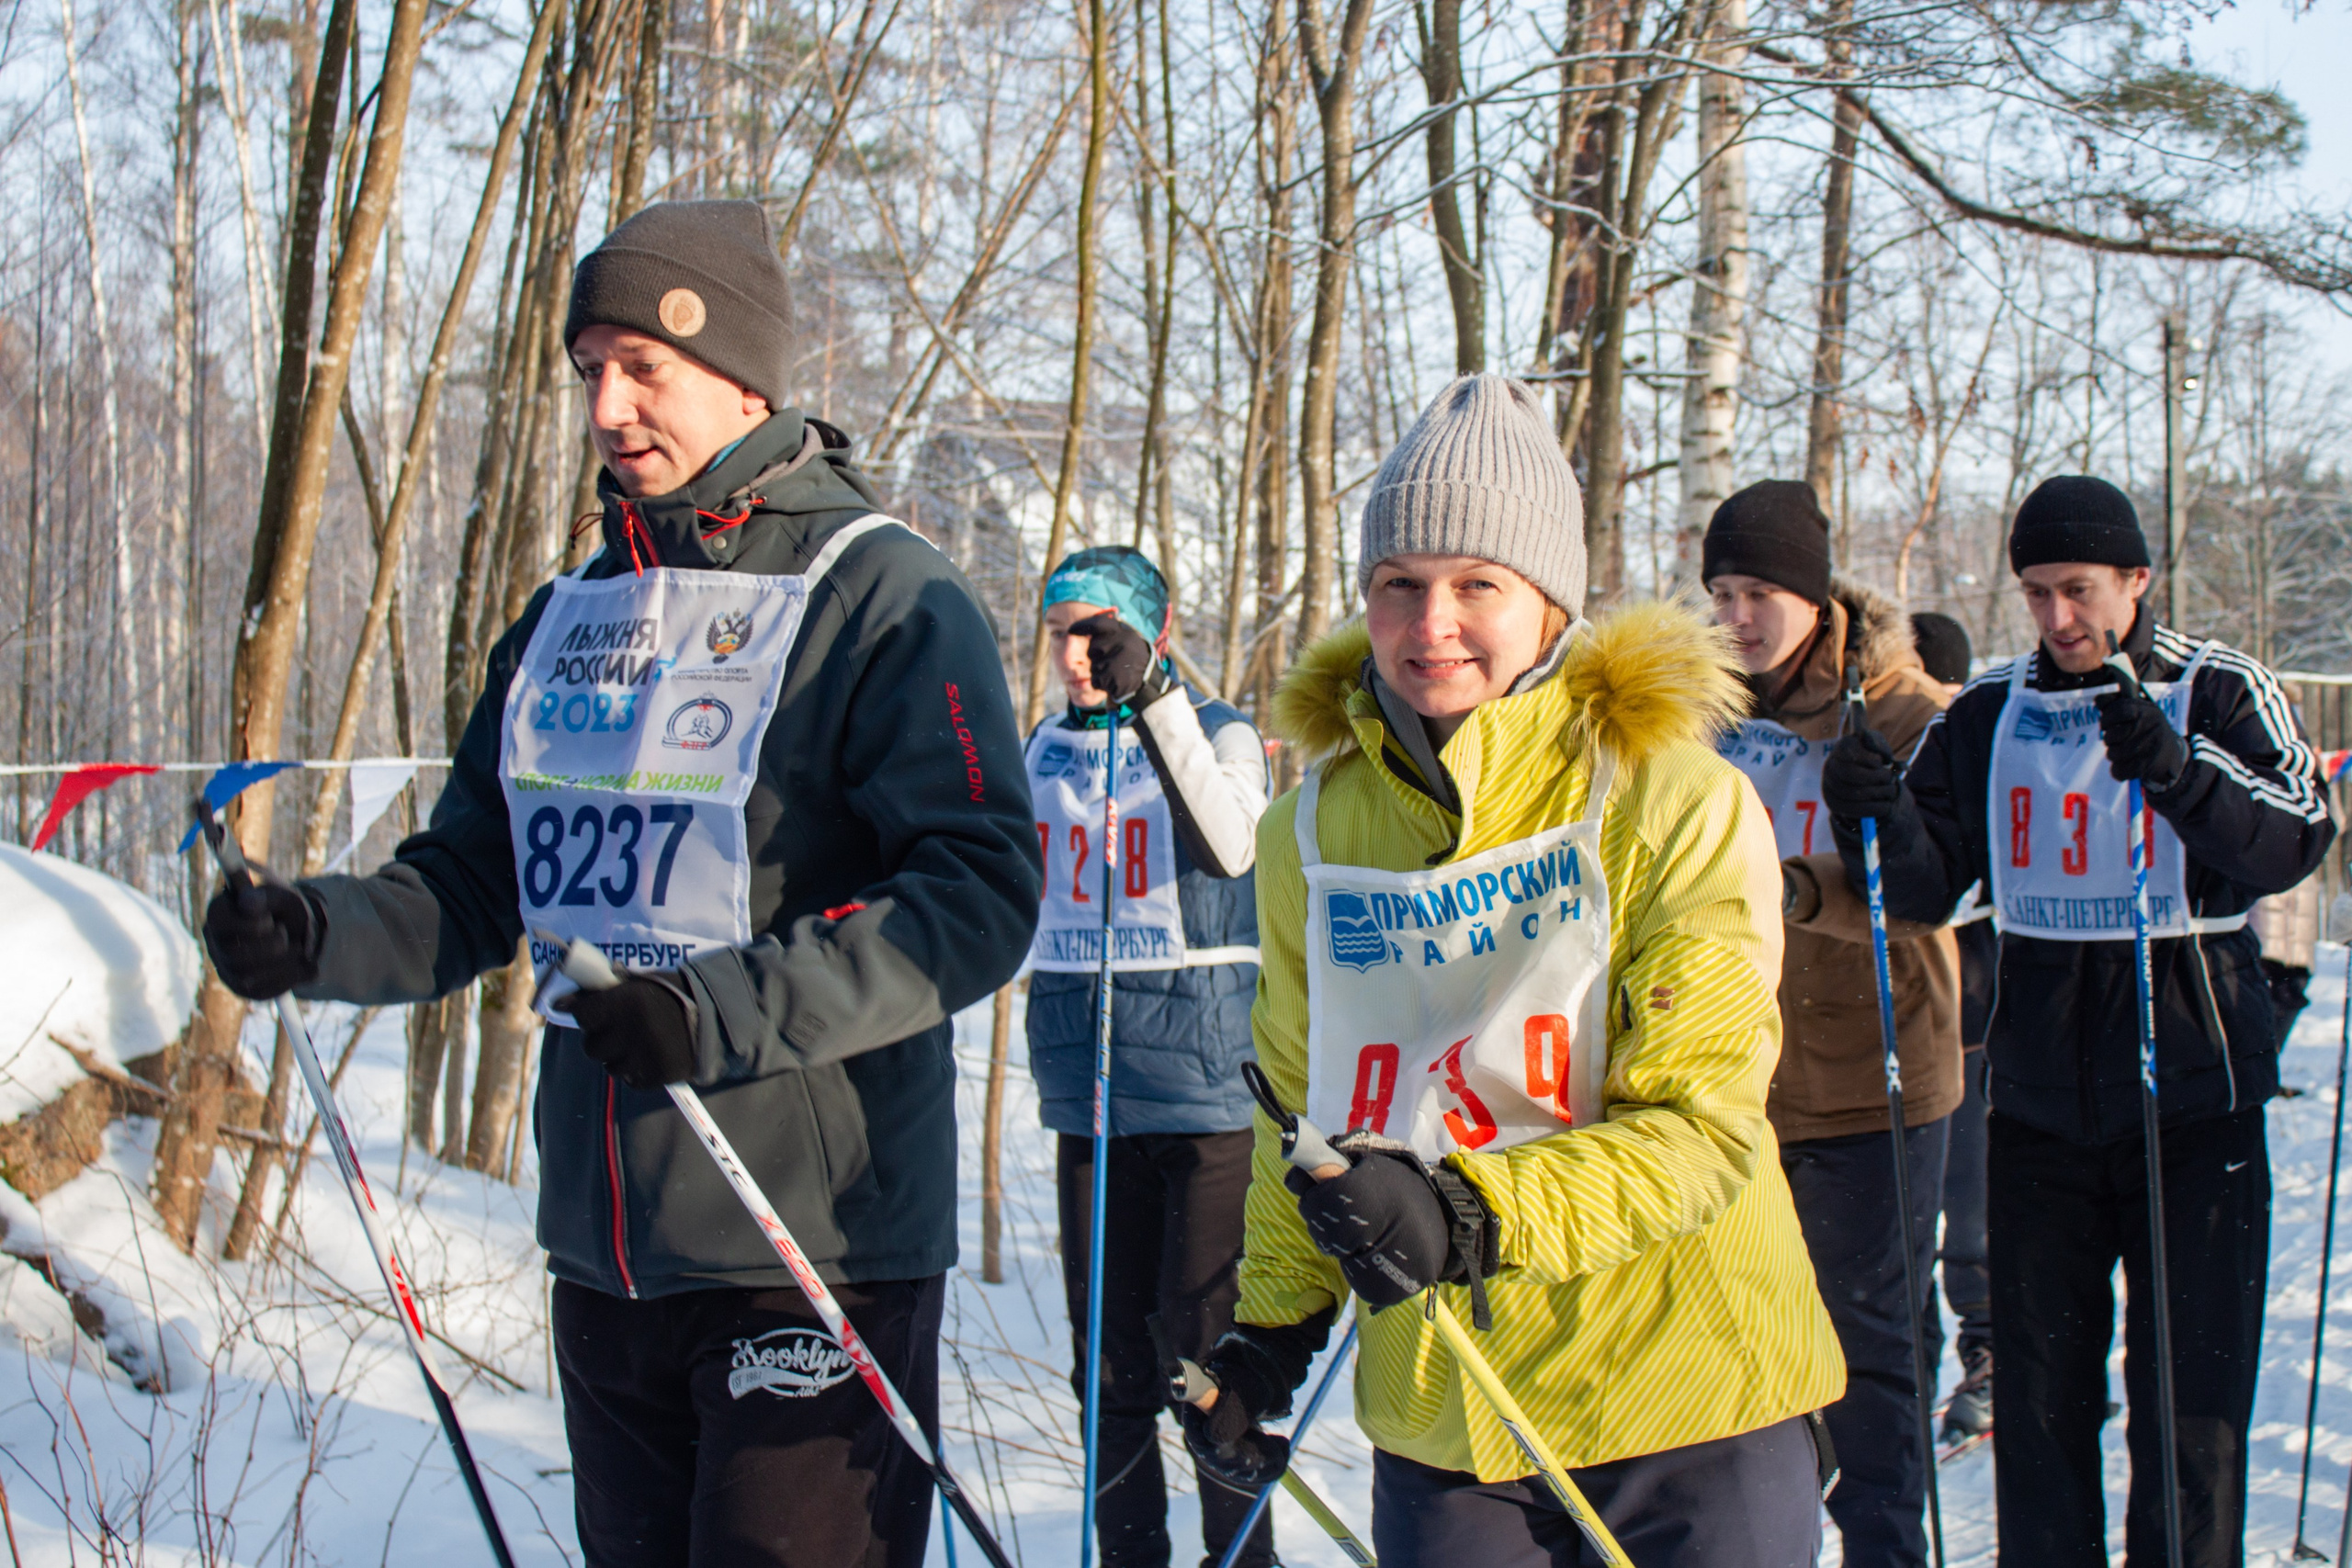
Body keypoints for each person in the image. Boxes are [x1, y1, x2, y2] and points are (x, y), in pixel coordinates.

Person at [199, 199, 1042, 1567]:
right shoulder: (569, 613)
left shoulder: (880, 590)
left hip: (805, 1242)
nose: (609, 403)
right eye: (591, 366)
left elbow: (980, 892)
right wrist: (310, 929)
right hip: (604, 1244)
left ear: (747, 377)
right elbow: (473, 881)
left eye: (645, 365)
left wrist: (716, 1011)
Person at [1179, 375, 1845, 1566]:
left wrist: (1467, 1212)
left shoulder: (1673, 797)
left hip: (1687, 1385)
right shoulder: (1312, 834)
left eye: (1476, 583)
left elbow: (1703, 1123)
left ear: (1549, 601)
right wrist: (1268, 1337)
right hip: (1456, 1415)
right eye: (1400, 584)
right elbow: (1300, 1108)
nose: (1433, 623)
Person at [1819, 475, 2335, 1567]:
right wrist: (1875, 813)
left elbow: (2294, 837)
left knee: (2189, 1402)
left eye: (2081, 591)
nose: (2059, 620)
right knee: (2045, 1403)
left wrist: (2175, 772)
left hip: (2196, 1100)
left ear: (2136, 583)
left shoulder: (2215, 687)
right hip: (2042, 1106)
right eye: (2038, 593)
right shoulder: (1991, 707)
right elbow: (1922, 885)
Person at [1703, 481, 1962, 1567]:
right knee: (1744, 1349)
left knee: (1871, 1348)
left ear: (1814, 596)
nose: (1737, 618)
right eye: (1719, 593)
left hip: (1874, 1072)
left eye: (1760, 591)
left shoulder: (1904, 712)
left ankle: (1886, 1550)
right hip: (1737, 1080)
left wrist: (1800, 885)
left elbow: (1935, 880)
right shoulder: (1701, 715)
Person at [1023, 545, 1276, 1568]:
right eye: (1062, 638)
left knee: (1205, 1366)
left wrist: (1157, 697)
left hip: (1204, 1099)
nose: (1079, 658)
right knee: (1109, 1372)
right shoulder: (1042, 745)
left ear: (1150, 635)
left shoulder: (1218, 730)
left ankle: (1240, 1557)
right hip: (1088, 1097)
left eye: (1100, 635)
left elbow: (1232, 844)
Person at [1909, 610, 1997, 1443]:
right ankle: (1932, 1371)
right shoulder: (1903, 748)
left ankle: (1991, 1354)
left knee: (1970, 1214)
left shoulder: (1966, 746)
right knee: (1919, 1227)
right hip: (1911, 1021)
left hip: (1971, 1019)